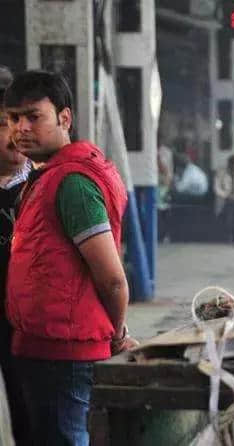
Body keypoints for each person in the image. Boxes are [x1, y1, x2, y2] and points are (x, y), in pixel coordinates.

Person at [4, 70, 138, 446]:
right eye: (14, 118)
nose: (21, 128)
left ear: (65, 118)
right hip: (45, 347)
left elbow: (112, 278)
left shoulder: (72, 184)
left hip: (64, 353)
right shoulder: (48, 177)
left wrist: (118, 332)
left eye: (34, 116)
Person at [0, 66, 30, 445]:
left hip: (26, 320)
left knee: (29, 412)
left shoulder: (46, 182)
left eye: (17, 122)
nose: (12, 135)